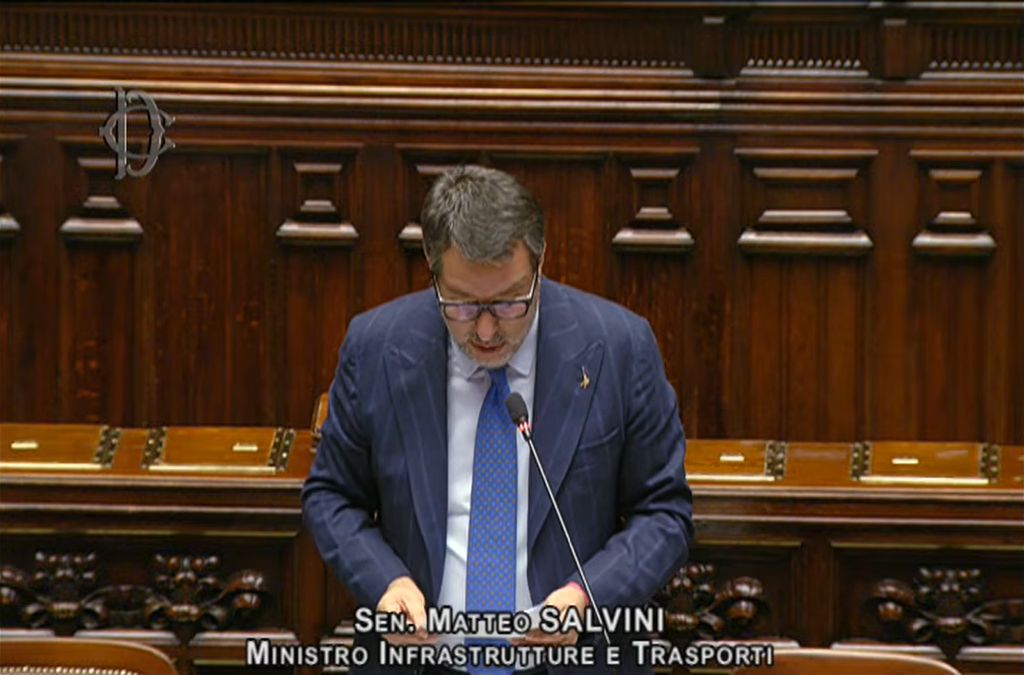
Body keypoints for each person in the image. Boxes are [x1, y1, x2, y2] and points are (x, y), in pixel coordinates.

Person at [302, 165, 693, 674]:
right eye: (463, 305)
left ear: (540, 264)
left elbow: (664, 512)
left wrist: (585, 596)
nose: (486, 331)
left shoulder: (619, 347)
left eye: (509, 302)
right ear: (432, 271)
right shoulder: (376, 346)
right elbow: (331, 495)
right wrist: (386, 583)